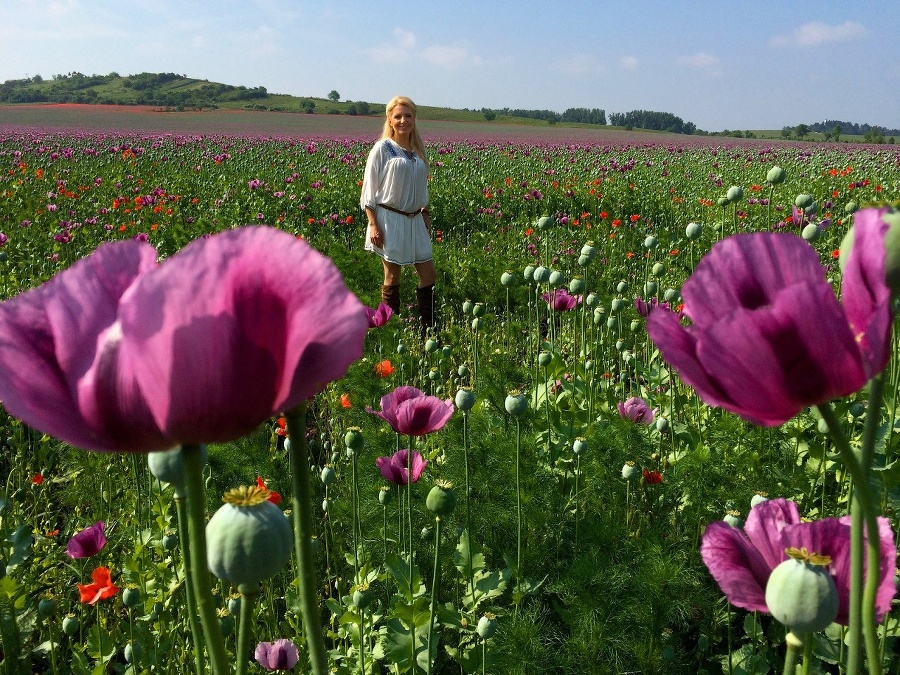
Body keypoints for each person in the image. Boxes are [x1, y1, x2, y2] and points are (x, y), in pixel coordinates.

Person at [361, 95, 437, 331]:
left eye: (408, 115)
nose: (403, 120)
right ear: (390, 120)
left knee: (429, 274)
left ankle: (429, 328)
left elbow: (421, 187)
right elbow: (369, 190)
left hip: (415, 220)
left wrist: (425, 211)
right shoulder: (382, 148)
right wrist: (373, 223)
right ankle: (390, 328)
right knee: (393, 276)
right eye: (398, 116)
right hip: (389, 219)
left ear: (414, 119)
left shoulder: (416, 150)